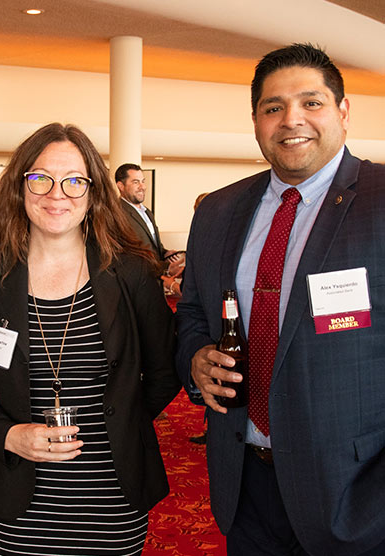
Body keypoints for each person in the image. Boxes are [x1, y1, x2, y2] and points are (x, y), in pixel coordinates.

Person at [176, 43, 385, 556]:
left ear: (342, 111)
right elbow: (194, 313)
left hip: (357, 492)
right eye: (273, 107)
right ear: (255, 121)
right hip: (245, 485)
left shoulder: (380, 199)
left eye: (311, 102)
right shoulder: (219, 210)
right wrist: (196, 359)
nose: (292, 119)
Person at [0, 122, 181, 555]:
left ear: (93, 193)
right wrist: (9, 435)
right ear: (20, 187)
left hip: (112, 499)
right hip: (21, 503)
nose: (58, 195)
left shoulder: (130, 273)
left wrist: (120, 426)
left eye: (75, 181)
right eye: (41, 179)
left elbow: (165, 375)